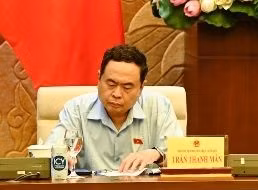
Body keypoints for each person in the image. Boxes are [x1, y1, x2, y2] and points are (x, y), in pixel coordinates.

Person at [45, 44, 184, 172]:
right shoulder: (75, 109)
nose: (117, 94)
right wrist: (60, 156)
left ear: (141, 87)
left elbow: (182, 155)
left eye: (127, 87)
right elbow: (49, 151)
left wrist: (156, 154)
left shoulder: (159, 107)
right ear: (99, 79)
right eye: (111, 84)